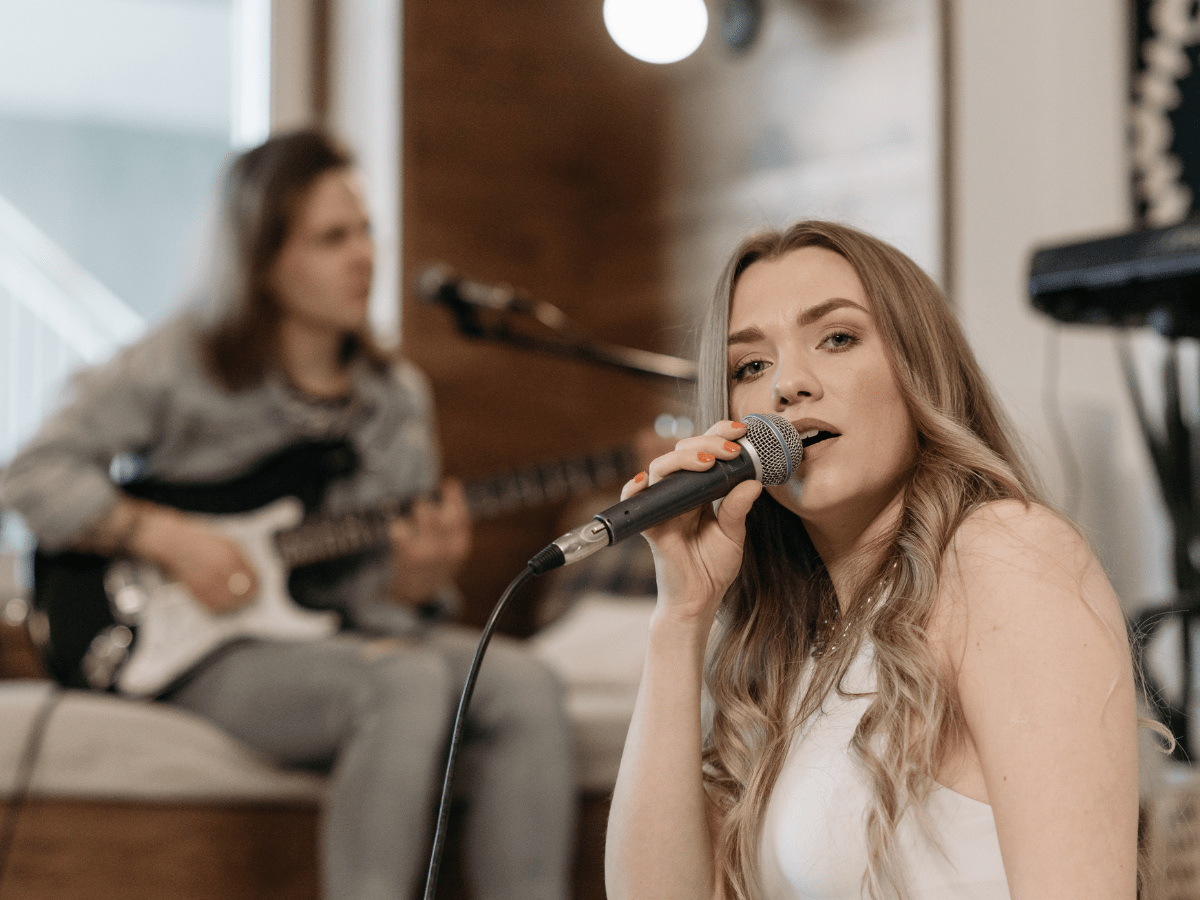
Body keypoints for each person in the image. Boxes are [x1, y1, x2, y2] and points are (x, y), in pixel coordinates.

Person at [1, 129, 575, 900]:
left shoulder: (395, 399)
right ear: (264, 257)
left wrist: (413, 582)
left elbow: (371, 608)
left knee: (527, 684)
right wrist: (165, 538)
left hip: (325, 635)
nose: (364, 255)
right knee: (402, 684)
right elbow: (31, 474)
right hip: (190, 644)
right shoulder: (180, 364)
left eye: (366, 229)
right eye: (332, 237)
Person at [605, 221, 1148, 900]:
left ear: (919, 366)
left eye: (837, 338)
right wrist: (680, 617)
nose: (788, 385)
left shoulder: (1006, 555)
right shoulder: (791, 653)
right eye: (750, 366)